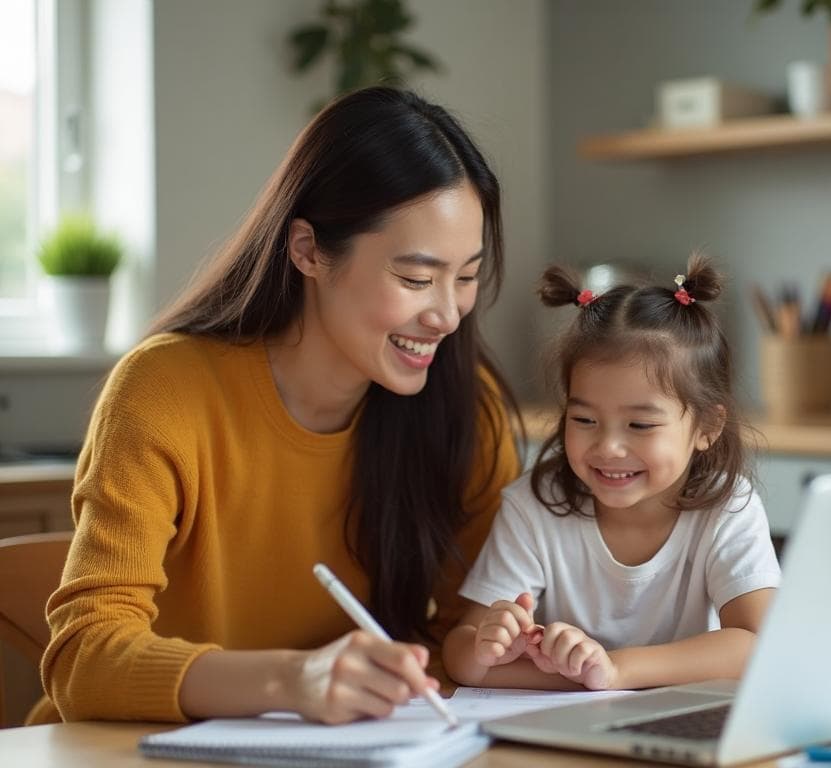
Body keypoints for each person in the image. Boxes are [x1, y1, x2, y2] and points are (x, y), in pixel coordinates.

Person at [31, 86, 521, 725]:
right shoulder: (165, 392)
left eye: (466, 277)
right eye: (417, 279)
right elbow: (85, 660)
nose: (448, 314)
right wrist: (297, 679)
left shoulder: (465, 408)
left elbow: (465, 644)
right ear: (309, 251)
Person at [443, 252, 780, 691]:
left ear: (707, 427)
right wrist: (488, 648)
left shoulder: (728, 507)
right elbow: (459, 656)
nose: (608, 447)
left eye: (640, 425)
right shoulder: (534, 507)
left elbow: (760, 645)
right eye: (584, 420)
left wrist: (616, 669)